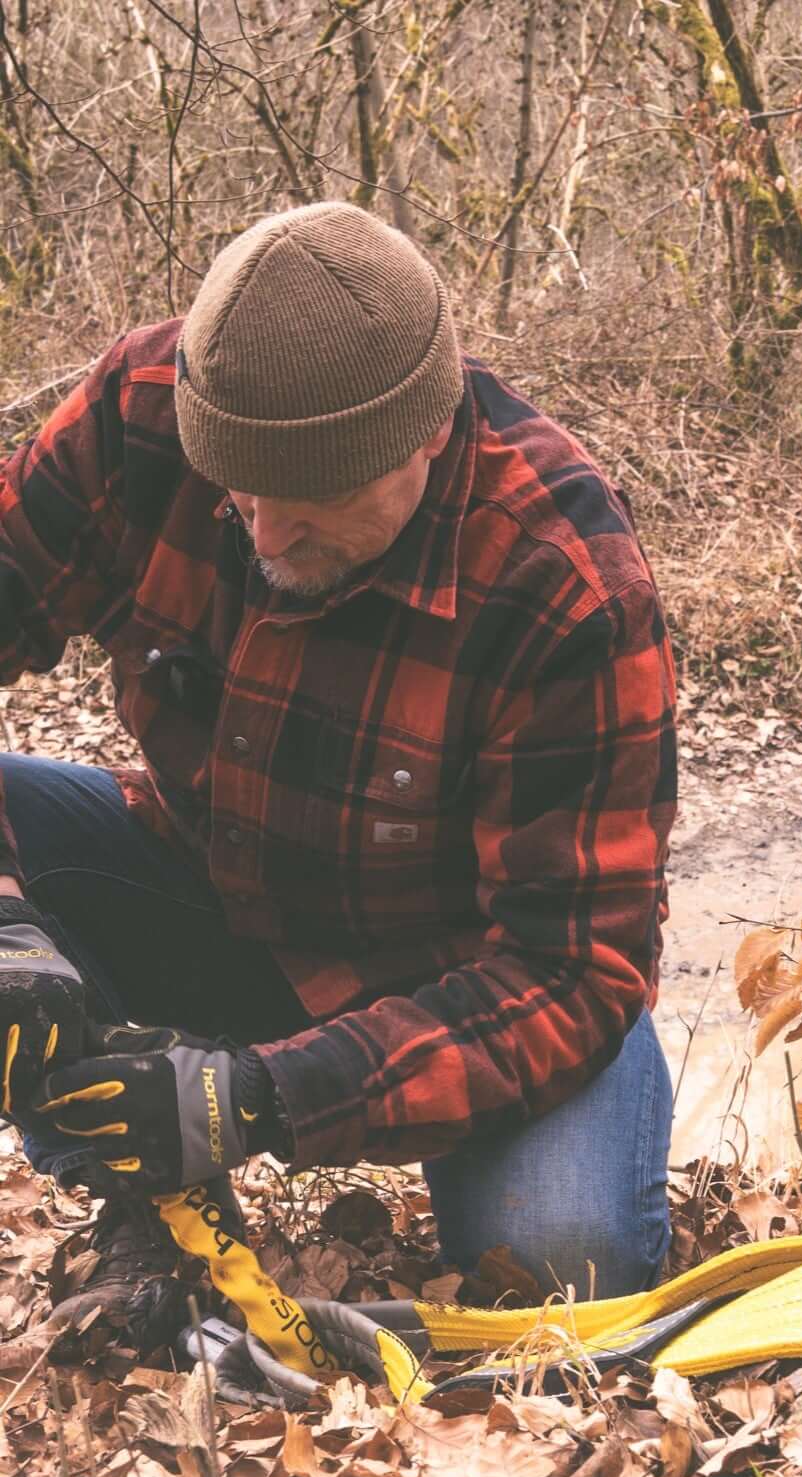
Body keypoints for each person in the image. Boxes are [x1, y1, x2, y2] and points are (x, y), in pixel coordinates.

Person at [0, 202, 678, 1356]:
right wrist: (10, 927)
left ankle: (200, 1120)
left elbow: (573, 968)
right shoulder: (140, 412)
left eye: (310, 505)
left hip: (467, 982)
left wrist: (258, 1096)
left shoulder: (566, 583)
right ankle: (143, 1200)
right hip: (208, 887)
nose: (263, 529)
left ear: (422, 439)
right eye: (238, 488)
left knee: (560, 1262)